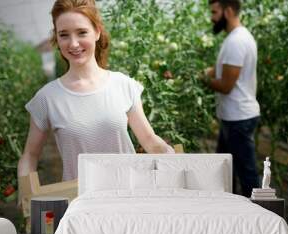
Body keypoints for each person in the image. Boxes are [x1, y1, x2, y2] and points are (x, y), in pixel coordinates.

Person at [17, 0, 174, 193]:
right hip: (80, 203)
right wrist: (26, 197)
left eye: (82, 32)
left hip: (130, 196)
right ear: (57, 39)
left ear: (97, 32)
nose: (73, 43)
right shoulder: (47, 97)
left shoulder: (123, 85)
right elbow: (30, 156)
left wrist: (175, 163)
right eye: (64, 35)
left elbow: (149, 140)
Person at [202, 0, 260, 197]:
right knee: (225, 172)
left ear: (227, 11)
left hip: (238, 119)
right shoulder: (236, 38)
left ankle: (260, 221)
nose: (212, 17)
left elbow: (226, 85)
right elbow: (222, 70)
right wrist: (201, 72)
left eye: (214, 12)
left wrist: (202, 80)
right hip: (234, 117)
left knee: (247, 175)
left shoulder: (236, 41)